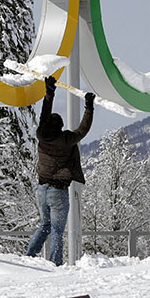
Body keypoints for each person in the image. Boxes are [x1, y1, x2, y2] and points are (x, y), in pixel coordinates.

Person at [25, 75, 94, 266]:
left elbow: (44, 115)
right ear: (61, 127)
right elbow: (83, 130)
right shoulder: (65, 140)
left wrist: (49, 92)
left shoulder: (41, 135)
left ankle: (29, 256)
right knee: (56, 229)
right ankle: (55, 263)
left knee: (44, 225)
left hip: (41, 190)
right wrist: (89, 107)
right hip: (58, 191)